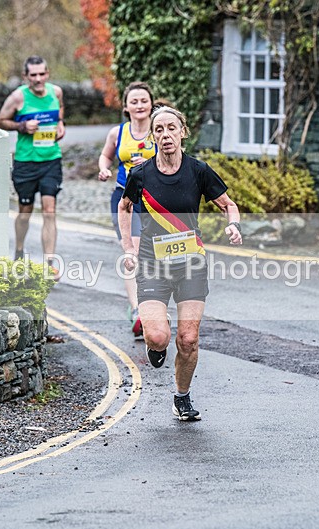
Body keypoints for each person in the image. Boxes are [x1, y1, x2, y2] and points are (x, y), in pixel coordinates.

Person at [118, 106, 242, 421]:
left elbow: (229, 205)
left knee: (188, 339)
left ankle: (182, 397)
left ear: (182, 132)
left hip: (191, 265)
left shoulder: (198, 171)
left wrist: (233, 225)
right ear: (153, 136)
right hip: (152, 264)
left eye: (171, 128)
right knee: (158, 337)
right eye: (159, 130)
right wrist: (129, 247)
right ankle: (155, 347)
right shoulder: (141, 174)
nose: (166, 135)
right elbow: (124, 206)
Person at [0, 56, 66, 274]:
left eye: (41, 74)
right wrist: (22, 126)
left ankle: (49, 264)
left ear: (48, 73)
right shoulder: (17, 97)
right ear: (26, 76)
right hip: (26, 162)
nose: (38, 79)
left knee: (49, 209)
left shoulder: (56, 92)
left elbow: (60, 111)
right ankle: (18, 250)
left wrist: (61, 124)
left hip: (51, 159)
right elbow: (0, 121)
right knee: (25, 210)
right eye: (33, 75)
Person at [98, 81, 157, 337]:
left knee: (151, 254)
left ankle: (151, 306)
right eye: (134, 101)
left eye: (144, 100)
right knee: (131, 252)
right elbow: (106, 156)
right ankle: (137, 311)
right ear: (126, 106)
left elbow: (177, 158)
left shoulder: (160, 130)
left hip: (156, 199)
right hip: (125, 199)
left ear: (151, 103)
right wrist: (103, 168)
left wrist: (152, 162)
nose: (140, 105)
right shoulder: (118, 132)